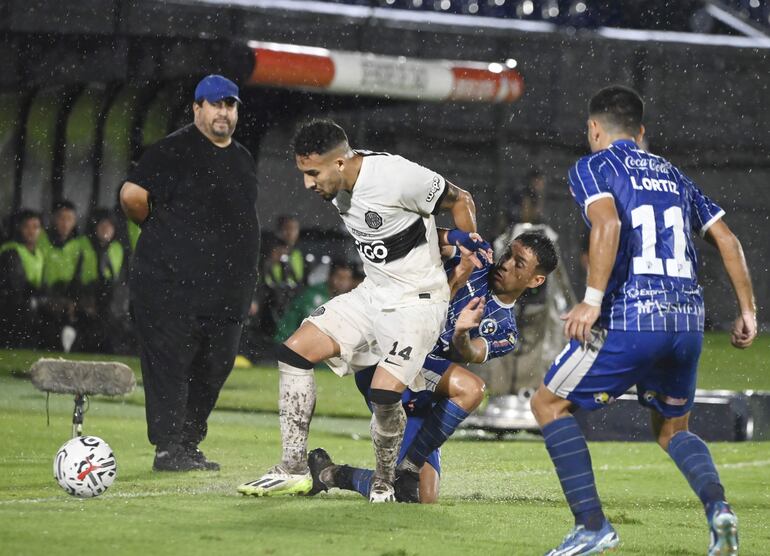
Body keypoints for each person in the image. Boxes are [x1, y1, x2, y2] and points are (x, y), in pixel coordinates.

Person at [529, 85, 756, 556]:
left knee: (548, 404)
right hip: (688, 322)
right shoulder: (674, 174)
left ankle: (592, 525)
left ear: (594, 129)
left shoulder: (594, 166)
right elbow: (729, 240)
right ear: (642, 132)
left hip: (633, 317)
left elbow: (608, 225)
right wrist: (748, 311)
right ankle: (719, 513)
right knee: (674, 430)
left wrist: (591, 300)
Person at [238, 119, 479, 502]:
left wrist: (471, 252)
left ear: (339, 163)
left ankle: (384, 481)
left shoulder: (396, 176)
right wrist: (447, 239)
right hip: (372, 294)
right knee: (295, 351)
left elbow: (460, 199)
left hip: (417, 303)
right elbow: (410, 230)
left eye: (312, 173)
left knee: (385, 393)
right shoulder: (335, 187)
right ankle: (294, 467)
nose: (307, 184)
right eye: (303, 173)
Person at [308, 231, 558, 503]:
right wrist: (457, 238)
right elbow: (419, 233)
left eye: (518, 263)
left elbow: (469, 352)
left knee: (417, 497)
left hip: (424, 390)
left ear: (536, 280)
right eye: (508, 253)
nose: (506, 263)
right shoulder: (477, 261)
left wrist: (462, 332)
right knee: (473, 389)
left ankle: (329, 474)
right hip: (390, 361)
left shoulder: (506, 332)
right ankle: (410, 466)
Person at [120, 74, 261, 472]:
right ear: (197, 109)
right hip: (169, 286)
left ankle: (187, 442)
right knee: (170, 366)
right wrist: (170, 237)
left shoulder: (243, 158)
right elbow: (132, 197)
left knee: (215, 366)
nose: (223, 112)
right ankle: (168, 448)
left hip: (225, 293)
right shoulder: (173, 149)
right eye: (215, 104)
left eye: (230, 105)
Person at [71, 209, 125, 353]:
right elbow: (73, 275)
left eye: (110, 226)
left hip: (107, 300)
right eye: (102, 225)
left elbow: (119, 280)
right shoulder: (80, 244)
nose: (106, 230)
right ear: (94, 227)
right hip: (84, 295)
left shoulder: (118, 248)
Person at [273, 260, 355, 343]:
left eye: (347, 278)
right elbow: (290, 322)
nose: (342, 282)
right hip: (299, 346)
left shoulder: (348, 302)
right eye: (339, 277)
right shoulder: (311, 295)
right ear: (330, 276)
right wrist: (281, 343)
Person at [37, 199, 81, 351]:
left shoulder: (78, 245)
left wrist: (71, 299)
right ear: (54, 218)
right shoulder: (41, 239)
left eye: (70, 219)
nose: (65, 223)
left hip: (67, 294)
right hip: (43, 294)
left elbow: (78, 276)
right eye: (62, 218)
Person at [0, 210, 44, 348]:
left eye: (35, 227)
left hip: (28, 301)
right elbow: (16, 285)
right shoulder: (11, 250)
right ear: (19, 228)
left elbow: (40, 282)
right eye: (27, 226)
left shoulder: (39, 253)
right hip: (12, 305)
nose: (31, 231)